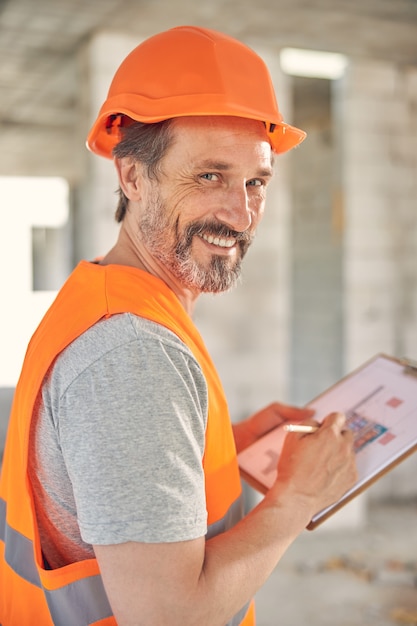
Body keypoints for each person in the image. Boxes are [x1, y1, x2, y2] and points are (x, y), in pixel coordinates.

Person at [0, 25, 357, 626]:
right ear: (133, 178)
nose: (240, 213)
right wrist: (300, 498)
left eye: (256, 182)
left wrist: (225, 447)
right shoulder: (131, 354)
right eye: (209, 176)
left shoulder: (111, 297)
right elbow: (169, 615)